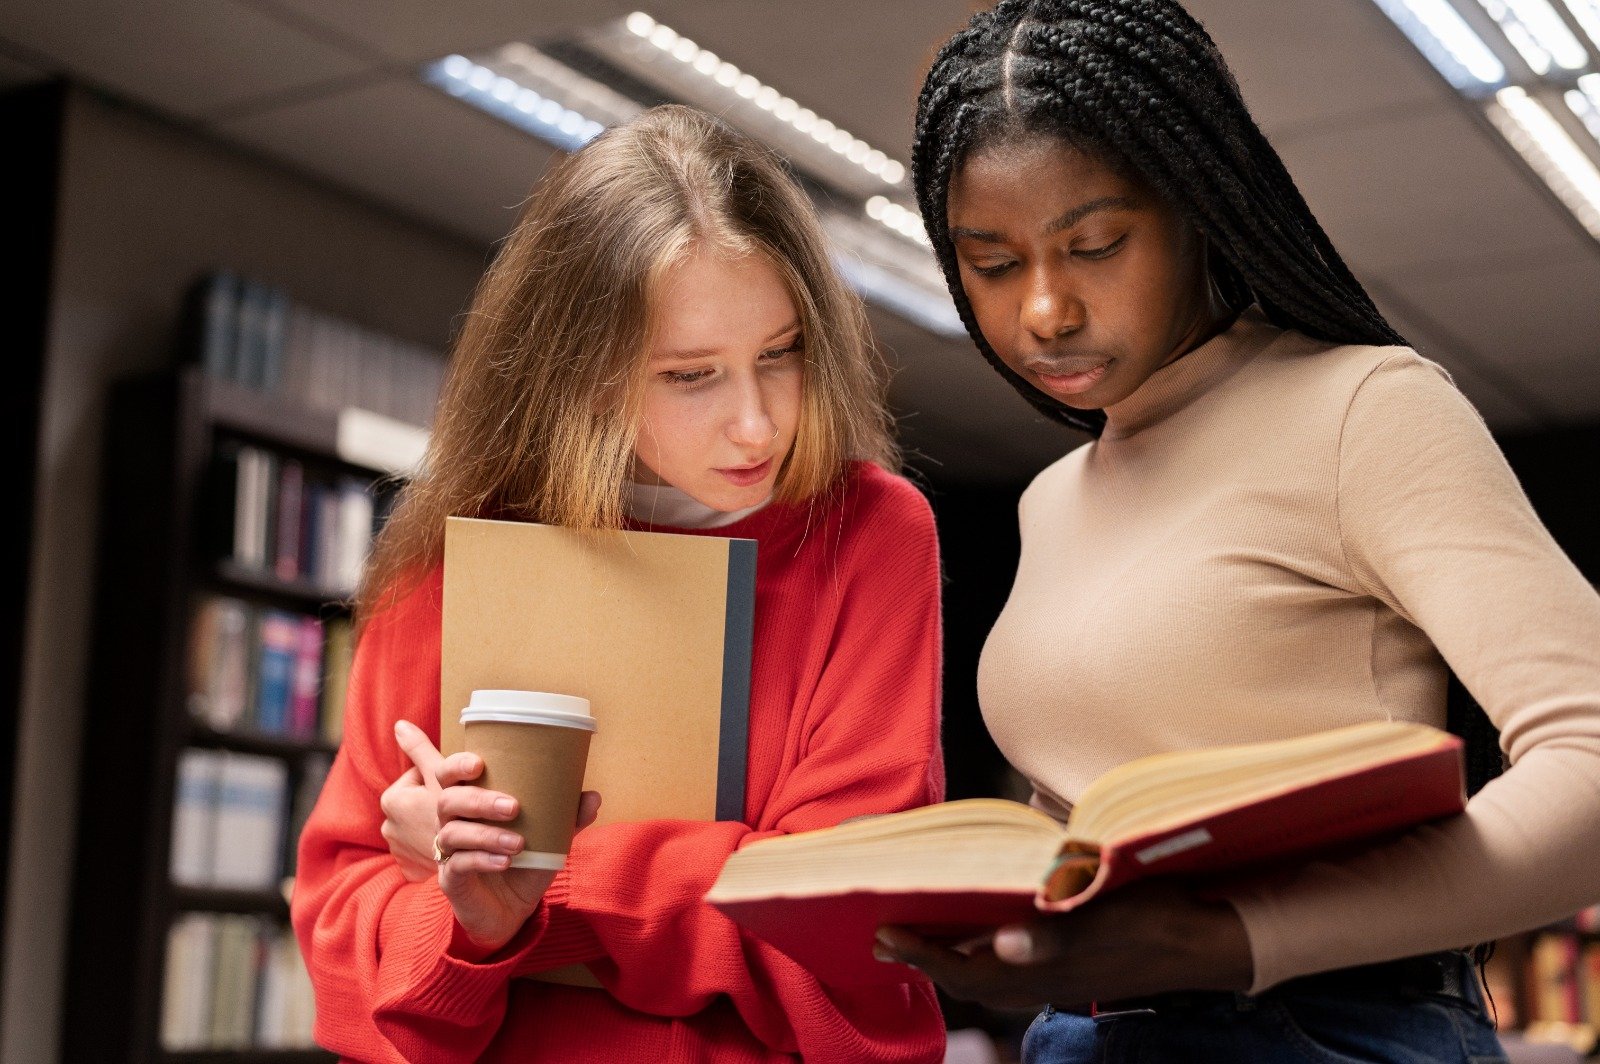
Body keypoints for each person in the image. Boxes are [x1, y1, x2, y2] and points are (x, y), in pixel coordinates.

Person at [873, 1, 1600, 1061]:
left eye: (1094, 246)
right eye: (991, 263)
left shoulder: (1363, 408)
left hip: (1319, 1027)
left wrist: (1222, 939)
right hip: (1079, 1034)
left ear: (1199, 210)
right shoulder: (1051, 498)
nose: (1044, 310)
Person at [291, 104, 948, 1063]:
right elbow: (344, 949)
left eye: (780, 354)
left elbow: (851, 932)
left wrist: (539, 884)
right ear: (584, 375)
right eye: (691, 376)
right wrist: (472, 920)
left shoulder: (871, 534)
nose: (758, 424)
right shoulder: (453, 549)